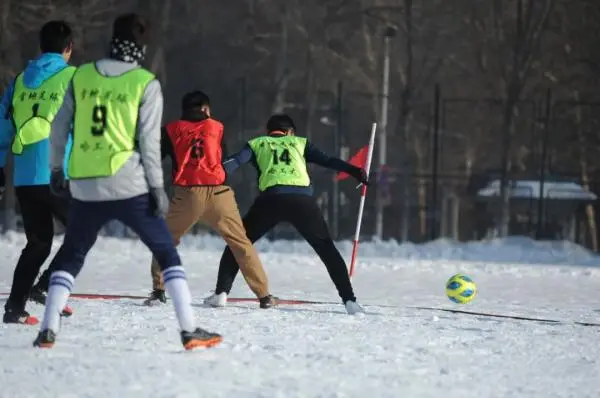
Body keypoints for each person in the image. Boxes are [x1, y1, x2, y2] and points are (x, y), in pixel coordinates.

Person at [33, 13, 222, 350]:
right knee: (165, 250)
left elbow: (59, 127)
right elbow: (150, 144)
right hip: (128, 181)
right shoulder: (145, 82)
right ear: (141, 46)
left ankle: (48, 328)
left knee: (73, 253)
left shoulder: (81, 76)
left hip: (86, 182)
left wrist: (56, 169)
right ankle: (189, 329)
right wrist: (157, 187)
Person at [203, 114, 368, 314]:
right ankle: (350, 301)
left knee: (238, 244)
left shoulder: (257, 143)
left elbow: (234, 163)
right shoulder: (299, 143)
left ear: (268, 131)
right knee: (327, 250)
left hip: (271, 199)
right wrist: (355, 171)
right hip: (302, 202)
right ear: (290, 132)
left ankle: (221, 293)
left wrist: (209, 174)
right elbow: (329, 161)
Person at [144, 90, 277, 309]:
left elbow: (155, 158)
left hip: (188, 195)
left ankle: (159, 291)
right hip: (219, 194)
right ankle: (264, 295)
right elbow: (221, 158)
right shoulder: (217, 127)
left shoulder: (171, 130)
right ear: (205, 109)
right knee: (241, 243)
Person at [0, 20, 75, 325]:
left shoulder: (19, 81)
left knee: (39, 242)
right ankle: (46, 287)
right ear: (68, 49)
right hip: (58, 175)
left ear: (42, 47)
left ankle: (15, 307)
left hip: (26, 177)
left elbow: (3, 128)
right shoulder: (74, 77)